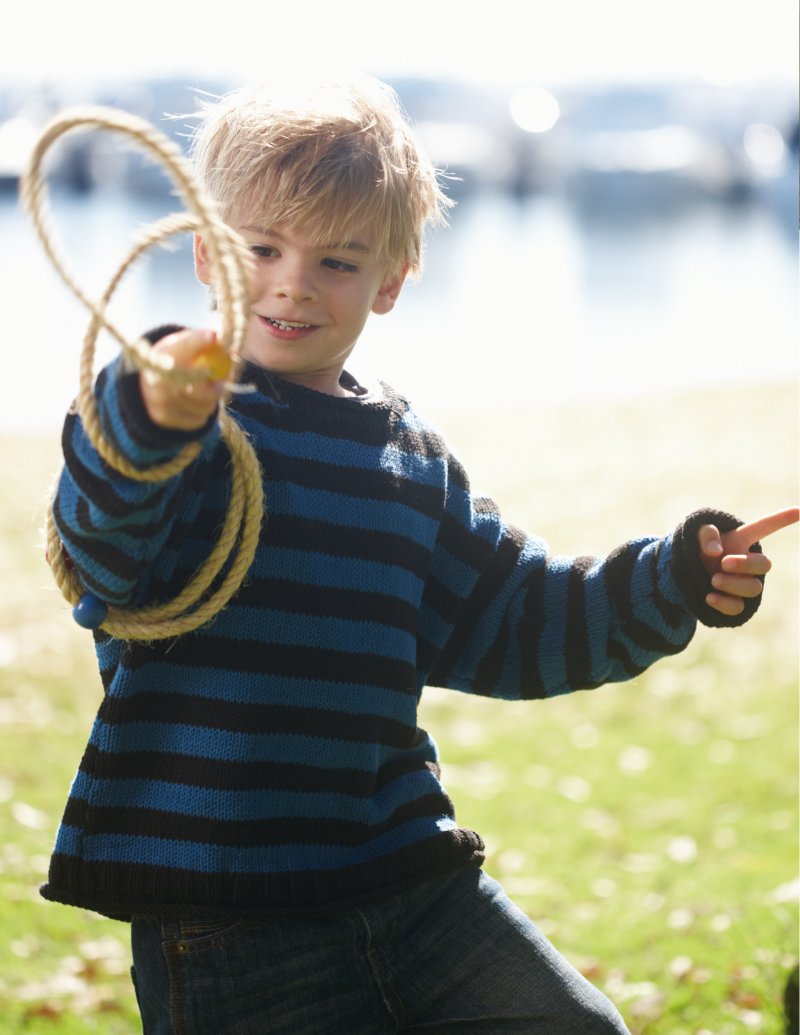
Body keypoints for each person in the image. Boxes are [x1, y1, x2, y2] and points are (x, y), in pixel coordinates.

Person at [42, 75, 797, 1034]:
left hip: (407, 873)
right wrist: (149, 410)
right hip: (226, 905)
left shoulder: (410, 460)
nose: (292, 282)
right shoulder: (182, 433)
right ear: (206, 253)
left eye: (338, 260)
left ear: (392, 280)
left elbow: (515, 619)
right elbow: (103, 537)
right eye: (262, 249)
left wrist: (674, 578)